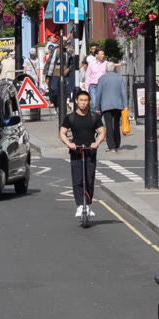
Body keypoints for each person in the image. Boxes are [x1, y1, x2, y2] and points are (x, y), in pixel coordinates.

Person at [58, 91, 103, 225]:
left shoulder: (94, 117)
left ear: (89, 102)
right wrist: (69, 144)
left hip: (90, 151)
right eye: (81, 100)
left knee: (89, 179)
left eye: (86, 100)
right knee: (77, 180)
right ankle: (79, 205)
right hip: (76, 152)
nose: (83, 102)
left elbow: (102, 132)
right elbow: (62, 132)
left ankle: (87, 205)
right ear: (76, 101)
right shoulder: (70, 117)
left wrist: (96, 143)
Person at [94, 61, 130, 151]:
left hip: (106, 105)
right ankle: (117, 143)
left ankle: (111, 145)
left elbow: (98, 94)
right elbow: (123, 92)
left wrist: (97, 107)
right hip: (118, 104)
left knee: (108, 125)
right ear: (114, 68)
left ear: (106, 69)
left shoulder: (102, 78)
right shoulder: (119, 77)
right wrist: (125, 104)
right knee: (116, 124)